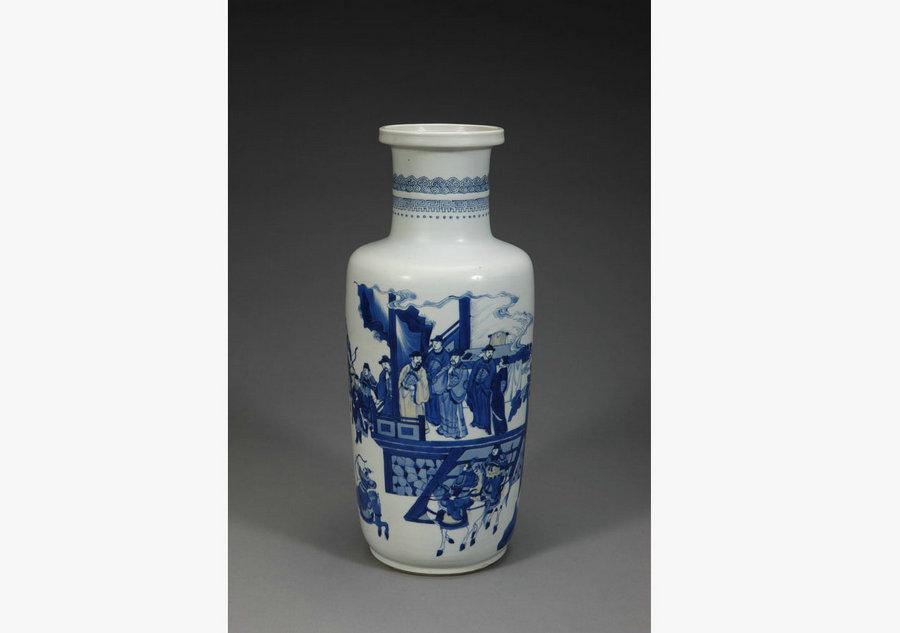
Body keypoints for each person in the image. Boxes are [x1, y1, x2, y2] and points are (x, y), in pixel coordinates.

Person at [436, 352, 468, 438]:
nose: (453, 359)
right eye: (452, 357)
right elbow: (442, 373)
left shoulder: (462, 368)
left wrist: (448, 381)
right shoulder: (450, 366)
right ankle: (445, 429)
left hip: (455, 394)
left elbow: (458, 380)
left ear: (460, 357)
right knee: (444, 412)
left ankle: (457, 433)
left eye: (455, 357)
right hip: (446, 393)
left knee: (454, 414)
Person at [466, 344, 495, 432]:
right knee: (476, 405)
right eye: (488, 352)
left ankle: (485, 424)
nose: (490, 354)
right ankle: (476, 421)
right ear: (484, 352)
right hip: (476, 387)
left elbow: (492, 376)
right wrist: (469, 387)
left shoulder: (492, 363)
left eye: (491, 352)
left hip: (485, 389)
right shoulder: (478, 362)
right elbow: (472, 375)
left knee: (485, 407)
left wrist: (485, 386)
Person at [424, 336, 450, 426]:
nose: (434, 345)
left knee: (437, 401)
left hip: (439, 380)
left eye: (436, 343)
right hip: (430, 379)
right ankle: (429, 417)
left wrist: (437, 375)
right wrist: (427, 373)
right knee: (429, 398)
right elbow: (426, 365)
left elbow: (446, 367)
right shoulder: (431, 353)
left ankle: (436, 420)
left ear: (441, 343)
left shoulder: (445, 354)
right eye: (433, 343)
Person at [398, 351, 429, 419]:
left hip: (417, 396)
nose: (419, 361)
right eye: (417, 359)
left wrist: (416, 387)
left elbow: (425, 384)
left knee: (418, 413)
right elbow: (400, 382)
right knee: (407, 414)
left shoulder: (422, 370)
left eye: (420, 359)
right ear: (412, 358)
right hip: (406, 396)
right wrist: (405, 386)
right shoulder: (406, 368)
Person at [490, 356, 510, 435]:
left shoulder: (503, 371)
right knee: (498, 412)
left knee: (498, 412)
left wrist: (498, 392)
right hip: (497, 394)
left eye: (501, 361)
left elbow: (503, 384)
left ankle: (500, 430)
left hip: (498, 396)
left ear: (504, 363)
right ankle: (500, 430)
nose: (499, 363)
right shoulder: (502, 370)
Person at [358, 362, 378, 429]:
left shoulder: (370, 376)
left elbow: (374, 385)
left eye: (366, 370)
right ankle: (365, 421)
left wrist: (370, 385)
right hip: (363, 394)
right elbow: (360, 382)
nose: (364, 371)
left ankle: (372, 423)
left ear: (368, 370)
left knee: (371, 409)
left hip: (369, 395)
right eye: (364, 370)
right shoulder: (362, 375)